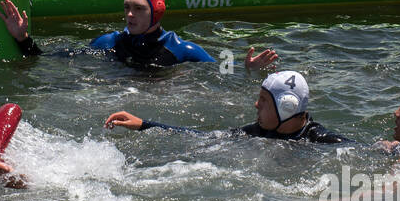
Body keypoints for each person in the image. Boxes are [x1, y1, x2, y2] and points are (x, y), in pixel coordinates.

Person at [0, 0, 278, 70]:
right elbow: (49, 62)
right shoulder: (108, 43)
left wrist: (245, 70)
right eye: (127, 8)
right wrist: (23, 40)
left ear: (157, 12)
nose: (130, 15)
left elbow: (219, 72)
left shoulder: (182, 50)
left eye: (138, 9)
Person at [105, 70, 353, 144]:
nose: (256, 105)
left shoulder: (319, 140)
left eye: (264, 101)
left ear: (286, 107)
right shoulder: (254, 132)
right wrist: (144, 125)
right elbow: (200, 137)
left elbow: (362, 152)